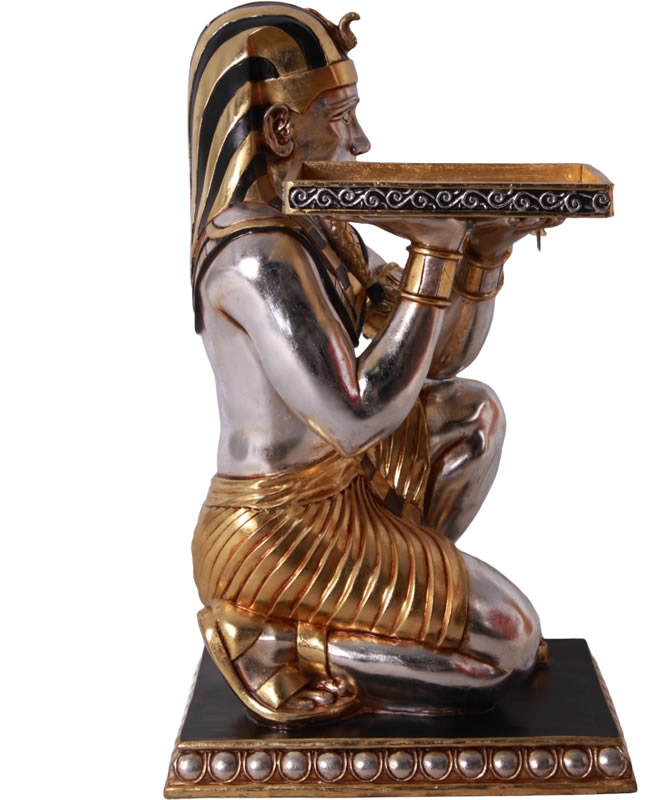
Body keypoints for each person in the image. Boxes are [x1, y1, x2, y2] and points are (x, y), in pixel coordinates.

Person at [188, 3, 549, 723]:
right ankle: (274, 639)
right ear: (281, 129)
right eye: (340, 117)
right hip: (277, 526)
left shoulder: (320, 229)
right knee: (508, 644)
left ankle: (402, 614)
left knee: (469, 416)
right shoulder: (257, 255)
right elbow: (356, 416)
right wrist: (434, 250)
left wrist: (482, 258)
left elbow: (436, 359)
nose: (359, 139)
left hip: (343, 482)